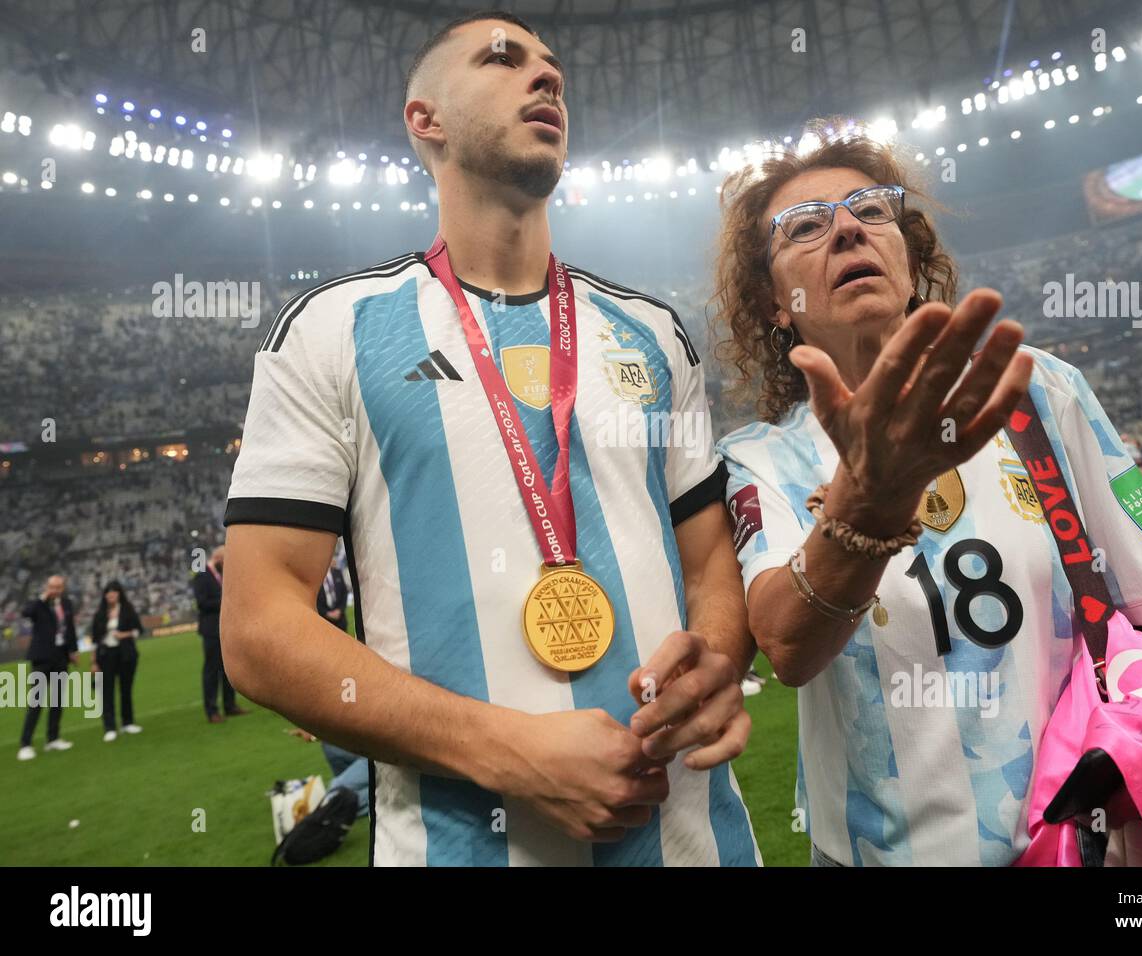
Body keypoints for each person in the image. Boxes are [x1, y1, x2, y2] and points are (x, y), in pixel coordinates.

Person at [219, 10, 759, 866]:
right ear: (423, 119)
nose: (547, 77)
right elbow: (257, 629)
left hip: (699, 844)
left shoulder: (654, 332)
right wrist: (509, 752)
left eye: (553, 68)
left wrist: (717, 663)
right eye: (503, 60)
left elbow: (708, 567)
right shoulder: (333, 330)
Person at [711, 121, 1142, 866]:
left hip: (1089, 848)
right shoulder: (758, 460)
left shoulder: (1036, 389)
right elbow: (787, 647)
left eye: (872, 211)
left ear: (910, 257)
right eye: (805, 227)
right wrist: (864, 511)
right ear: (776, 302)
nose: (847, 229)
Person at [18, 575, 79, 760]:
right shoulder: (39, 604)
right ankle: (25, 744)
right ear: (47, 587)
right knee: (36, 702)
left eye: (59, 587)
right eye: (52, 587)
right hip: (42, 658)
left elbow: (70, 629)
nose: (55, 590)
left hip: (60, 657)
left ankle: (53, 738)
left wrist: (73, 651)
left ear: (63, 588)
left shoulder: (67, 603)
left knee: (57, 700)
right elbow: (26, 613)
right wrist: (43, 597)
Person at [191, 545, 247, 723]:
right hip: (211, 630)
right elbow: (202, 603)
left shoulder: (222, 574)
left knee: (227, 669)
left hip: (226, 629)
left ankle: (230, 705)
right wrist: (226, 600)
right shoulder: (201, 574)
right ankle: (211, 710)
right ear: (217, 559)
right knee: (211, 670)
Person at [90, 580, 143, 741]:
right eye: (108, 592)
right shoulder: (100, 614)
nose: (111, 595)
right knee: (107, 692)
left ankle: (128, 722)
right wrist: (93, 662)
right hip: (106, 655)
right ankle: (110, 727)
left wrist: (124, 634)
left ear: (119, 593)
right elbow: (94, 640)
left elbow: (138, 631)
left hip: (126, 653)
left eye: (114, 591)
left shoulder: (127, 610)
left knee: (126, 689)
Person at [316, 559, 350, 632]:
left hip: (340, 621)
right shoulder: (315, 577)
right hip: (324, 621)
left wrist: (340, 610)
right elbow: (314, 600)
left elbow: (344, 593)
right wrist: (326, 613)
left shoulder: (337, 573)